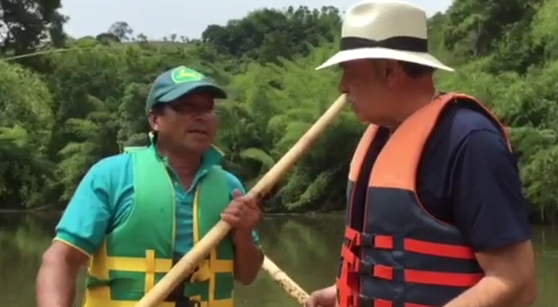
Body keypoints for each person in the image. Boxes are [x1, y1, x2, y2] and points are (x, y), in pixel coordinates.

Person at [305, 1, 537, 307]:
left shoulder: (471, 142)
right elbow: (398, 267)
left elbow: (515, 281)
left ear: (389, 71)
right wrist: (345, 295)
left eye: (349, 71)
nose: (342, 87)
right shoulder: (379, 138)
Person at [36, 65, 264, 307]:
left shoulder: (230, 186)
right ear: (155, 119)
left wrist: (244, 234)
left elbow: (247, 276)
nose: (201, 117)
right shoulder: (112, 175)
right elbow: (61, 258)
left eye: (207, 109)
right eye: (186, 107)